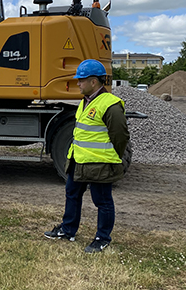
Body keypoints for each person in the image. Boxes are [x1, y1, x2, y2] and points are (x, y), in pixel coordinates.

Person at [44, 59, 130, 253]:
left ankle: (102, 238)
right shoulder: (86, 101)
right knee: (72, 194)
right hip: (79, 159)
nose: (78, 83)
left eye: (81, 80)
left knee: (103, 201)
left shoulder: (110, 104)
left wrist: (110, 156)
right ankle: (68, 230)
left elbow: (120, 136)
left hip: (99, 162)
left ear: (94, 82)